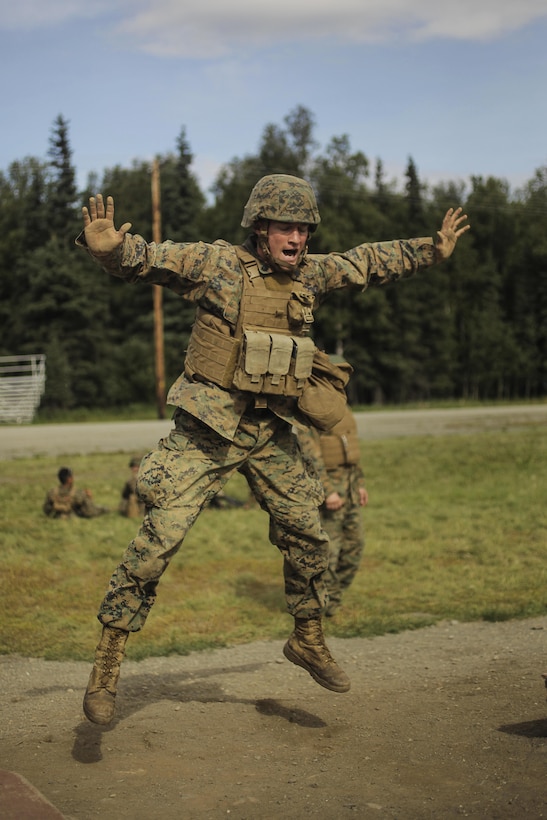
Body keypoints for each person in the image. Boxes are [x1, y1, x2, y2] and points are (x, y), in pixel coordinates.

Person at [76, 174, 469, 725]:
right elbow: (153, 259)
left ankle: (307, 639)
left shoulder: (311, 275)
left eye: (305, 229)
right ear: (260, 229)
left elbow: (366, 262)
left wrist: (431, 250)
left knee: (308, 535)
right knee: (157, 541)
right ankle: (106, 667)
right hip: (207, 432)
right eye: (286, 227)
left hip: (268, 431)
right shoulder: (219, 266)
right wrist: (112, 252)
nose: (297, 238)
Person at [297, 364, 368, 618]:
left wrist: (359, 484)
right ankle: (321, 605)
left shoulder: (341, 404)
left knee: (355, 545)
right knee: (330, 550)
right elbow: (310, 454)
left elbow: (351, 447)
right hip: (331, 487)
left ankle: (334, 598)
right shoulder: (311, 406)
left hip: (349, 484)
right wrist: (327, 491)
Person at [43, 467, 109, 519]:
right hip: (72, 515)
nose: (73, 478)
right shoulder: (78, 493)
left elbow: (46, 509)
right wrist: (90, 498)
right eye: (71, 476)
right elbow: (90, 512)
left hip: (57, 515)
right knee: (103, 508)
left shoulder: (52, 492)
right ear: (69, 479)